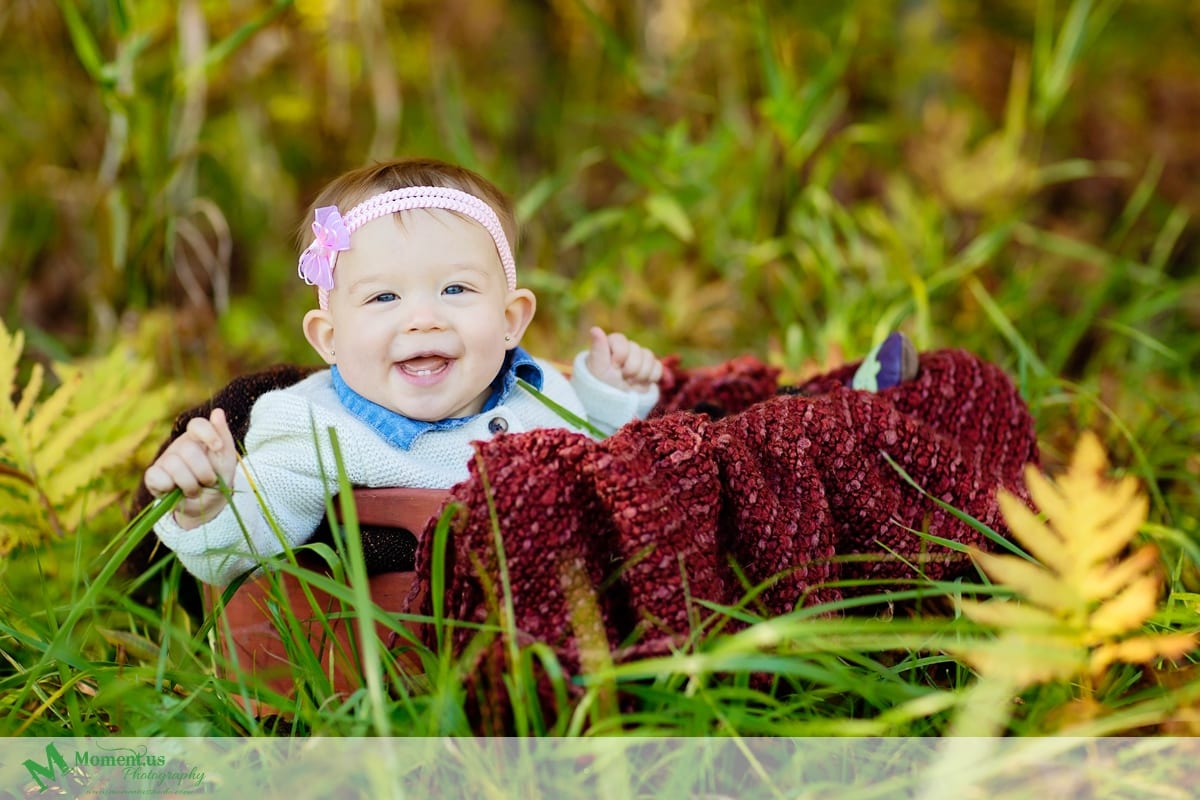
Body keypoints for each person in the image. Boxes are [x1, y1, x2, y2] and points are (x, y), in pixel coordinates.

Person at [143, 158, 663, 586]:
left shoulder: (538, 393)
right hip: (397, 655)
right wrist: (209, 506)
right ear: (330, 338)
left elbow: (604, 461)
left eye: (455, 290)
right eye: (384, 297)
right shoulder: (312, 430)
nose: (423, 320)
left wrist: (609, 393)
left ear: (510, 321)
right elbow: (246, 546)